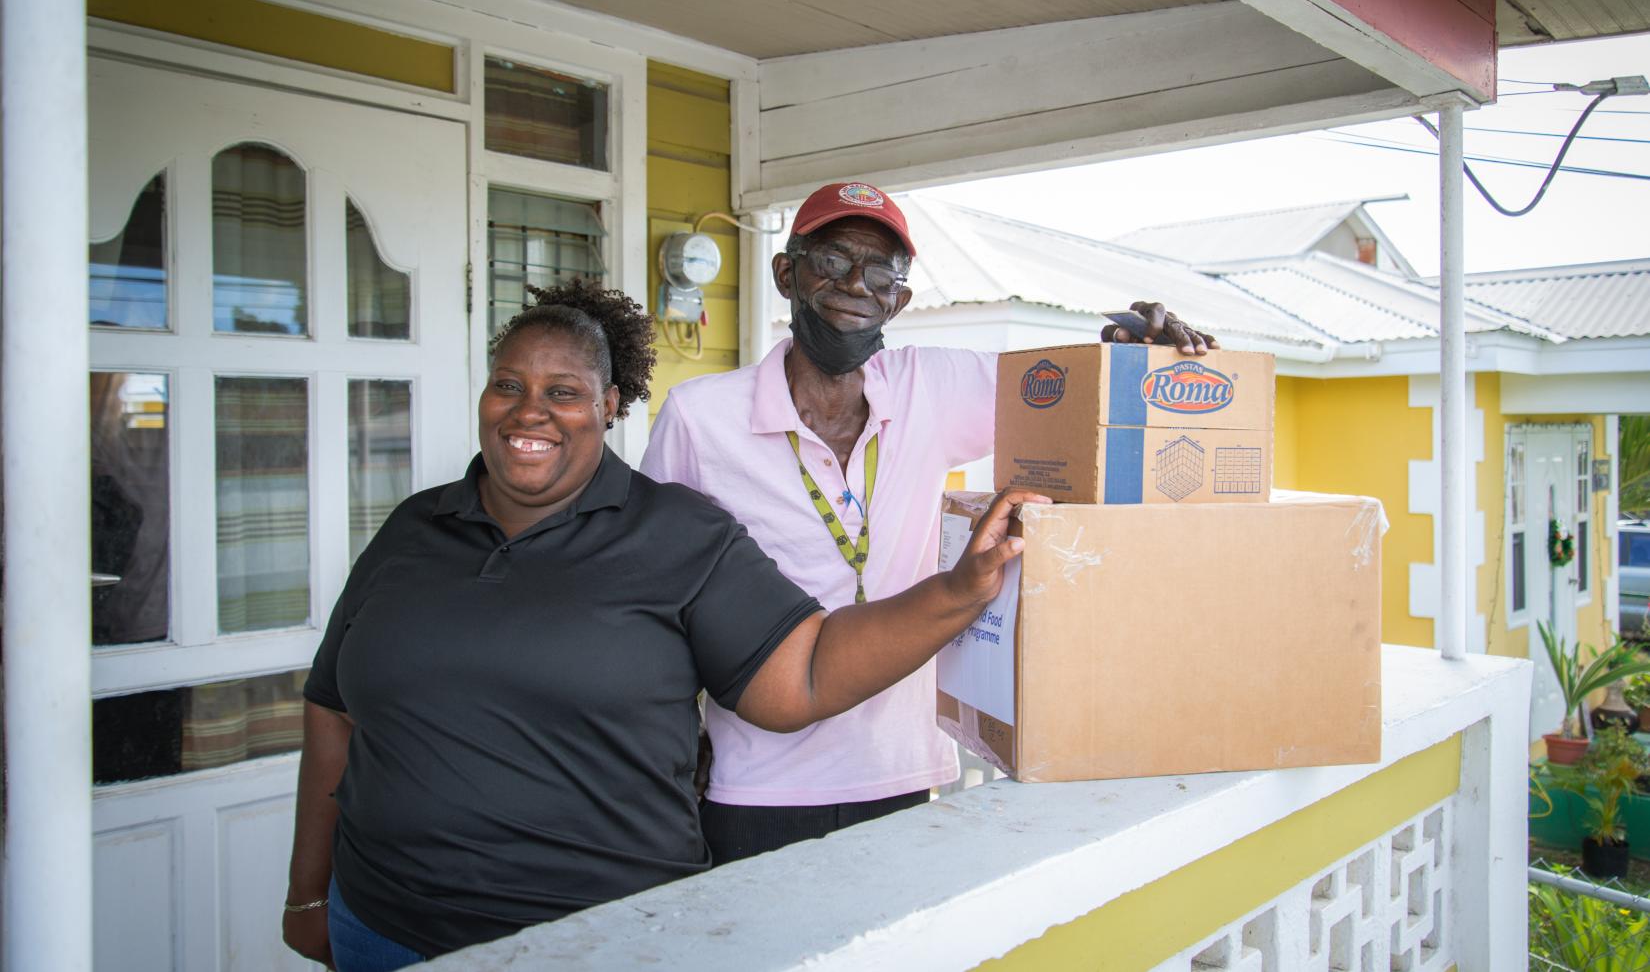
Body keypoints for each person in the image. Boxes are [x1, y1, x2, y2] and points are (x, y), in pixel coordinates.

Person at [282, 277, 1044, 970]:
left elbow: (806, 672)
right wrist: (309, 894)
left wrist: (959, 588)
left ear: (610, 406)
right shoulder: (413, 528)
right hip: (380, 930)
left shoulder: (677, 535)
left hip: (601, 940)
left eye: (564, 391)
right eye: (508, 384)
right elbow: (332, 707)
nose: (529, 411)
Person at [641, 181, 1216, 863]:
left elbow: (1066, 393)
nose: (856, 282)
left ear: (900, 300)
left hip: (902, 769)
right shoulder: (701, 417)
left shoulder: (932, 386)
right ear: (786, 272)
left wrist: (1134, 346)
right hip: (755, 785)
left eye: (882, 270)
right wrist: (676, 740)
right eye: (832, 258)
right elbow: (654, 596)